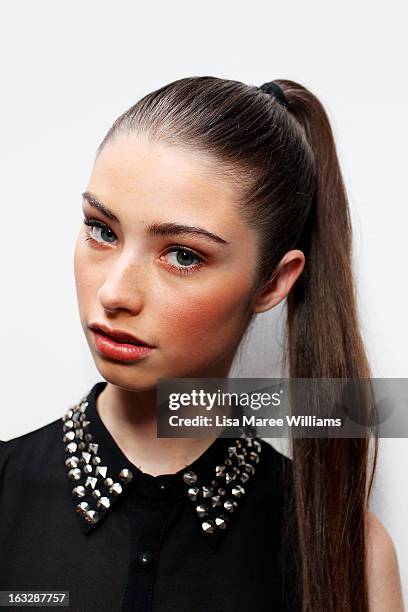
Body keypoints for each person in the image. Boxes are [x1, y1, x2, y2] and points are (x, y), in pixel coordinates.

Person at [0, 77, 404, 612]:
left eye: (183, 255)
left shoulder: (350, 554)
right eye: (102, 229)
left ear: (272, 283)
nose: (114, 292)